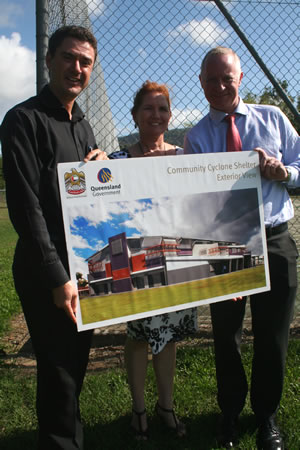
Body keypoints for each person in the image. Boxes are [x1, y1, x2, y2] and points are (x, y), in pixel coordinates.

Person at [184, 47, 299, 450]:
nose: (219, 86)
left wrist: (283, 171)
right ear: (200, 82)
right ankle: (229, 415)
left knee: (272, 336)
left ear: (241, 77)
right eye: (210, 80)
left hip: (275, 238)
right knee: (226, 336)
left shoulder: (273, 119)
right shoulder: (196, 137)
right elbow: (194, 201)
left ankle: (266, 415)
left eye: (226, 78)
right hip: (224, 245)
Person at [0, 25, 108, 450]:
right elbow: (27, 208)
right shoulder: (23, 121)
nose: (77, 68)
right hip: (48, 270)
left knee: (74, 366)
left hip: (84, 265)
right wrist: (57, 277)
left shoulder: (84, 127)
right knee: (59, 370)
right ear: (49, 61)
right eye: (69, 58)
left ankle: (65, 437)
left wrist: (105, 167)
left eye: (85, 62)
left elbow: (94, 196)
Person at [109, 80, 197, 440]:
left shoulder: (185, 158)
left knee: (170, 336)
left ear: (170, 115)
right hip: (135, 266)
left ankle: (166, 407)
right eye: (148, 108)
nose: (156, 115)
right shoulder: (117, 161)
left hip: (173, 262)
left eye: (162, 109)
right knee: (139, 336)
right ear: (134, 115)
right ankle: (139, 412)